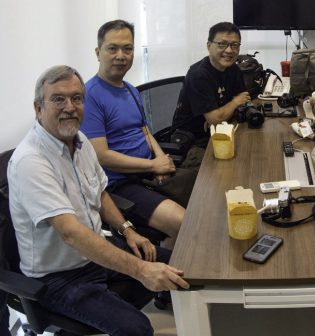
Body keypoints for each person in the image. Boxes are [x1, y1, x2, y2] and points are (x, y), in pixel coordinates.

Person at [8, 65, 190, 336]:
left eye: (77, 98)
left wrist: (128, 231)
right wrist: (141, 270)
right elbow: (70, 234)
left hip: (94, 252)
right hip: (59, 277)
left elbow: (101, 192)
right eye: (58, 99)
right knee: (138, 329)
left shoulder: (79, 141)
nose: (70, 107)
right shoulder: (31, 162)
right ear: (38, 108)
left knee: (181, 266)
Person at [81, 20, 185, 247]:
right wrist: (152, 166)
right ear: (98, 53)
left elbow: (144, 130)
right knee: (187, 223)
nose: (121, 55)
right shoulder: (90, 96)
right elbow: (102, 156)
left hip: (147, 172)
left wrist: (159, 158)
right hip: (120, 185)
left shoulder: (129, 89)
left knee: (206, 200)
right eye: (113, 48)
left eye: (127, 49)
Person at [171, 21, 249, 166]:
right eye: (222, 44)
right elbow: (215, 118)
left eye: (235, 45)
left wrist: (232, 107)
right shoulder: (198, 75)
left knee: (251, 154)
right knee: (223, 171)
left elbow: (244, 100)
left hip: (222, 130)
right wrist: (235, 102)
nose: (229, 50)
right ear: (209, 46)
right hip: (194, 140)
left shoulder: (233, 69)